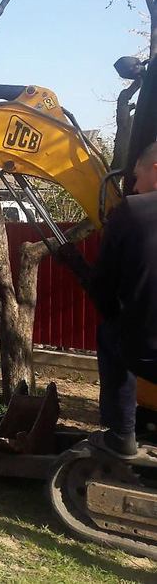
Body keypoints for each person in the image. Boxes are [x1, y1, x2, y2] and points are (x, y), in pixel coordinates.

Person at [89, 142, 157, 457]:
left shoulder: (132, 211)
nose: (133, 184)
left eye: (137, 175)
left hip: (148, 354)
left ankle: (121, 434)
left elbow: (104, 287)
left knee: (111, 332)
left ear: (155, 169)